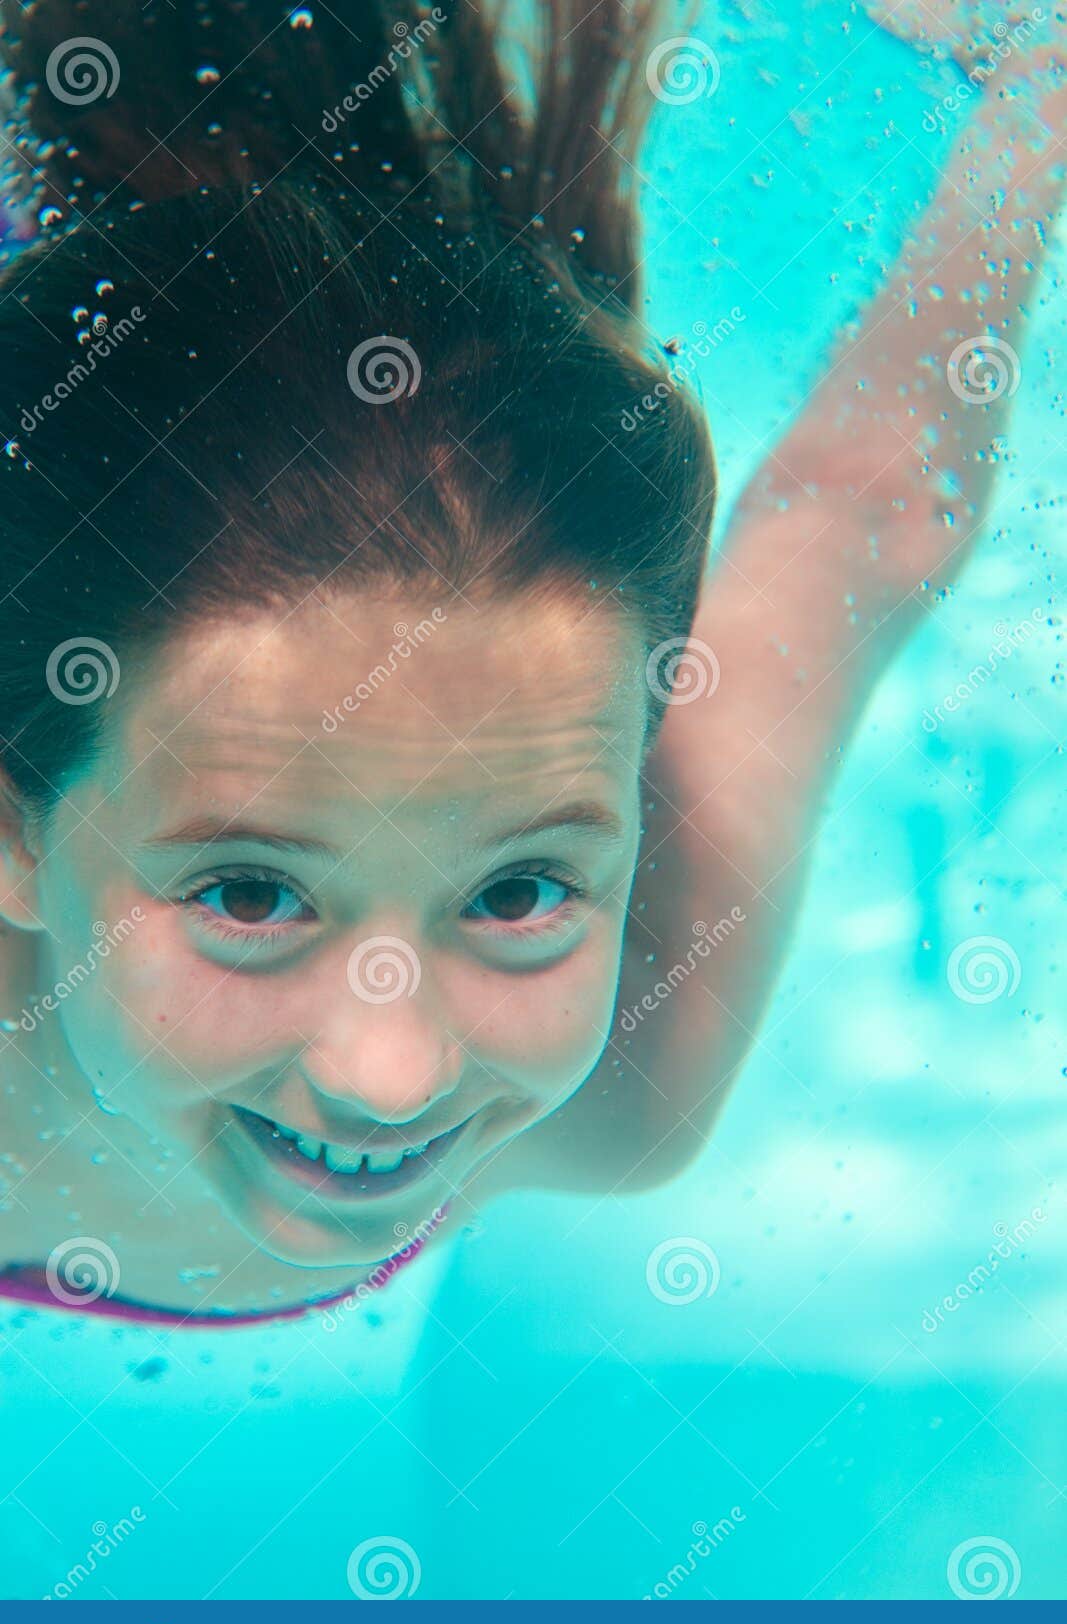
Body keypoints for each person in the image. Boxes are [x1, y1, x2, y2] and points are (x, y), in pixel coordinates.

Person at [0, 0, 1060, 1322]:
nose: (391, 1074)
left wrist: (1037, 93)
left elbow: (864, 523)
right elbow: (875, 522)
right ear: (20, 830)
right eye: (253, 894)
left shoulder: (638, 1063)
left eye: (518, 891)